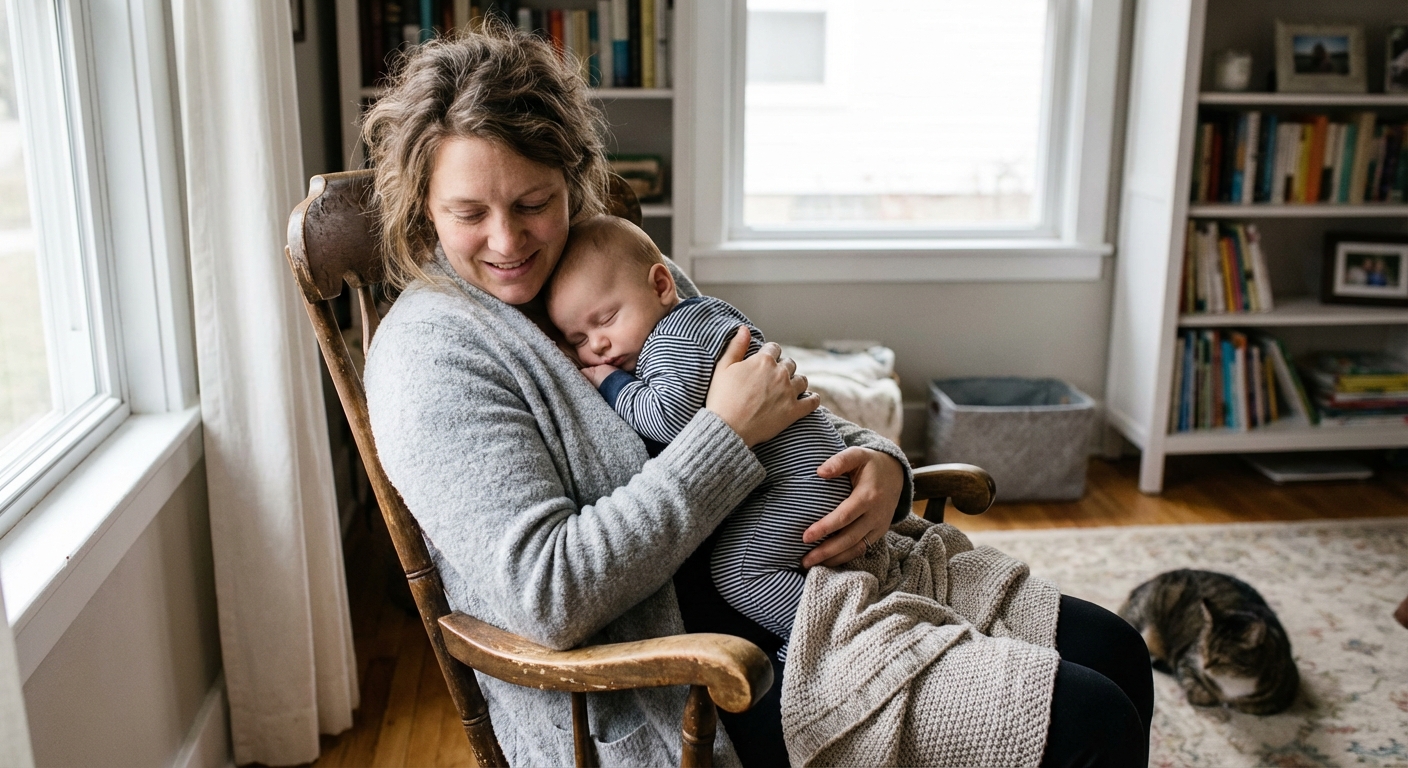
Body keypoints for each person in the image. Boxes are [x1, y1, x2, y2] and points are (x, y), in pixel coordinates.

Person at [360, 24, 1153, 768]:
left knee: (1118, 651)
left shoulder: (607, 261)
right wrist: (722, 438)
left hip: (826, 582)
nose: (508, 241)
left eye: (534, 203)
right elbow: (550, 594)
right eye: (470, 213)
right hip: (689, 675)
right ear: (423, 208)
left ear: (573, 182)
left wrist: (876, 464)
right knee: (1090, 721)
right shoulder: (432, 356)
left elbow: (762, 390)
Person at [546, 215, 853, 662]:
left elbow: (669, 420)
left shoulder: (671, 339)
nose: (601, 345)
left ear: (660, 286)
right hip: (811, 471)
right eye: (580, 339)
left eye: (607, 319)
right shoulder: (698, 319)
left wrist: (609, 383)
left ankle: (824, 640)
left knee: (740, 570)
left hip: (800, 483)